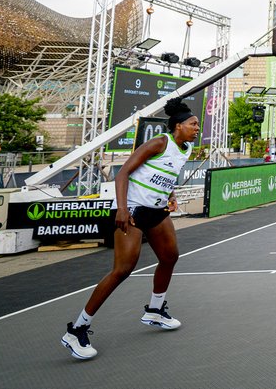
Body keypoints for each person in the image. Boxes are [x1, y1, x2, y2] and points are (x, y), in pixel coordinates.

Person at [61, 98, 199, 360]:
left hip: (157, 212)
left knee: (170, 257)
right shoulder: (159, 143)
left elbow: (164, 176)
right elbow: (123, 173)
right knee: (123, 269)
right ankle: (77, 329)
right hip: (133, 212)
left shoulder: (186, 149)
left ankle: (155, 311)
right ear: (177, 126)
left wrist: (170, 194)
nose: (196, 128)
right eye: (192, 124)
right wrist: (122, 209)